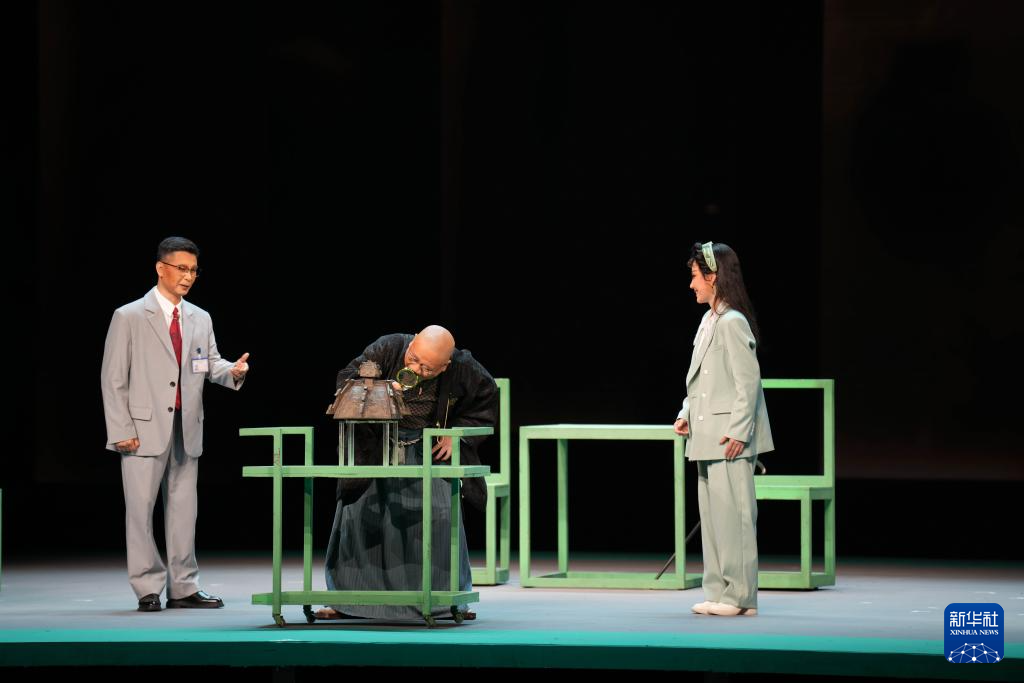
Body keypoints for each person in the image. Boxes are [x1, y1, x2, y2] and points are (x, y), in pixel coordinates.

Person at [100, 236, 249, 612]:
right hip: (143, 430)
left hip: (186, 427)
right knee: (140, 512)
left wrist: (231, 371)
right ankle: (147, 586)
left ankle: (183, 587)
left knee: (184, 513)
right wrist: (121, 430)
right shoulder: (130, 316)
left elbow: (208, 363)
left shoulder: (200, 318)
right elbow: (113, 378)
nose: (188, 277)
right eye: (181, 268)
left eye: (194, 270)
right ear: (160, 268)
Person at [317, 325, 498, 620]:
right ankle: (349, 600)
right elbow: (345, 382)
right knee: (359, 513)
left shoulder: (462, 366)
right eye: (414, 360)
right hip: (376, 447)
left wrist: (456, 434)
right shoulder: (387, 348)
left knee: (440, 515)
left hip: (426, 449)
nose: (417, 369)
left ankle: (446, 600)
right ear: (412, 344)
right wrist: (380, 391)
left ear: (445, 366)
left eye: (428, 369)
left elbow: (486, 399)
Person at [674, 241, 773, 617]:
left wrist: (739, 431)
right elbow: (702, 379)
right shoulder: (709, 321)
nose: (691, 284)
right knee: (715, 520)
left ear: (712, 277)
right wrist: (686, 412)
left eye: (695, 276)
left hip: (728, 436)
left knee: (735, 519)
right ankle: (718, 590)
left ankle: (741, 596)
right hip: (706, 435)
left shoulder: (733, 321)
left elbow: (748, 382)